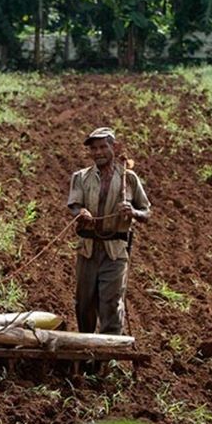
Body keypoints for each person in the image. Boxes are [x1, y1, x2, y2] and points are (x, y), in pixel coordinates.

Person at [66, 127, 151, 336]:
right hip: (87, 249)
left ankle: (106, 358)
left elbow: (147, 211)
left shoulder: (128, 178)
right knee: (84, 303)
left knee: (110, 303)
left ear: (114, 147)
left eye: (103, 147)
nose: (98, 152)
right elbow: (74, 205)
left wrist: (133, 212)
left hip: (115, 251)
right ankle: (86, 348)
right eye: (94, 148)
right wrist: (81, 212)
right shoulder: (81, 177)